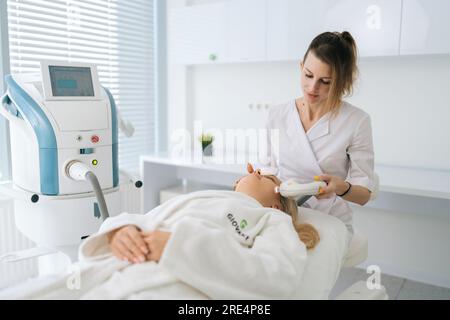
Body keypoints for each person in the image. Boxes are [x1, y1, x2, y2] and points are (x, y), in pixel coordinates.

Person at [3, 165, 322, 300]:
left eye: (265, 175)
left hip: (172, 286)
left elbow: (277, 275)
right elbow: (144, 218)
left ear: (277, 204)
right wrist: (120, 231)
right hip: (116, 270)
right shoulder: (206, 199)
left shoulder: (271, 221)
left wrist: (178, 247)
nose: (253, 171)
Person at [259, 31, 375, 240]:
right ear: (300, 67)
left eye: (326, 81)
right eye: (308, 75)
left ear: (342, 82)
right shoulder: (277, 114)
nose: (312, 88)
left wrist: (342, 188)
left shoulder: (356, 121)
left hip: (329, 219)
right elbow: (268, 173)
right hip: (282, 214)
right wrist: (254, 181)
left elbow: (364, 195)